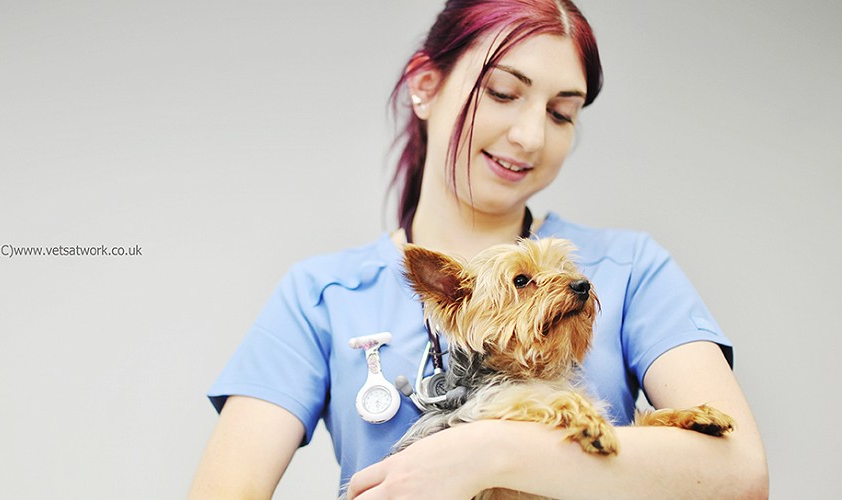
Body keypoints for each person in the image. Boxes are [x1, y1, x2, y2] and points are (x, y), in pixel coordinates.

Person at [189, 1, 769, 498]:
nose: (530, 136)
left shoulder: (629, 268)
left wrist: (487, 450)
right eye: (502, 92)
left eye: (561, 113)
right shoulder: (323, 294)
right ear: (425, 87)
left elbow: (739, 475)